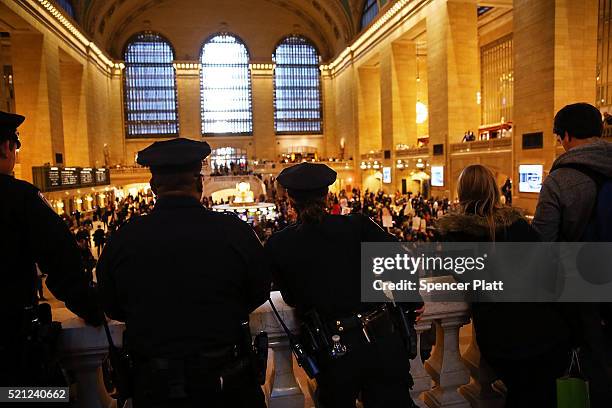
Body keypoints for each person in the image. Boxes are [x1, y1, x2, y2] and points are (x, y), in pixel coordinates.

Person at [96, 138, 270, 408]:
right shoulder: (235, 231)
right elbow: (259, 290)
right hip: (227, 384)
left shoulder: (124, 238)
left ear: (154, 187)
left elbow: (111, 304)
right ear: (200, 183)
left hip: (155, 387)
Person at [265, 162, 420, 408]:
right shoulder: (358, 225)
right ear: (327, 195)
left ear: (290, 199)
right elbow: (402, 258)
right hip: (381, 342)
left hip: (333, 351)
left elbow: (291, 297)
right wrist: (412, 302)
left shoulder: (278, 245)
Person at [436, 164, 572, 407]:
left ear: (461, 193)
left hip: (502, 340)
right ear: (493, 189)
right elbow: (550, 270)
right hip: (546, 332)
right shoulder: (518, 226)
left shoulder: (454, 236)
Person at [0, 111, 102, 386]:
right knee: (48, 397)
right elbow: (62, 263)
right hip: (10, 350)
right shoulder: (20, 198)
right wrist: (93, 309)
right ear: (6, 147)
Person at [533, 102, 612, 407]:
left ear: (565, 136)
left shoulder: (560, 179)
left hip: (587, 289)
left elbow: (542, 244)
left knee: (595, 364)